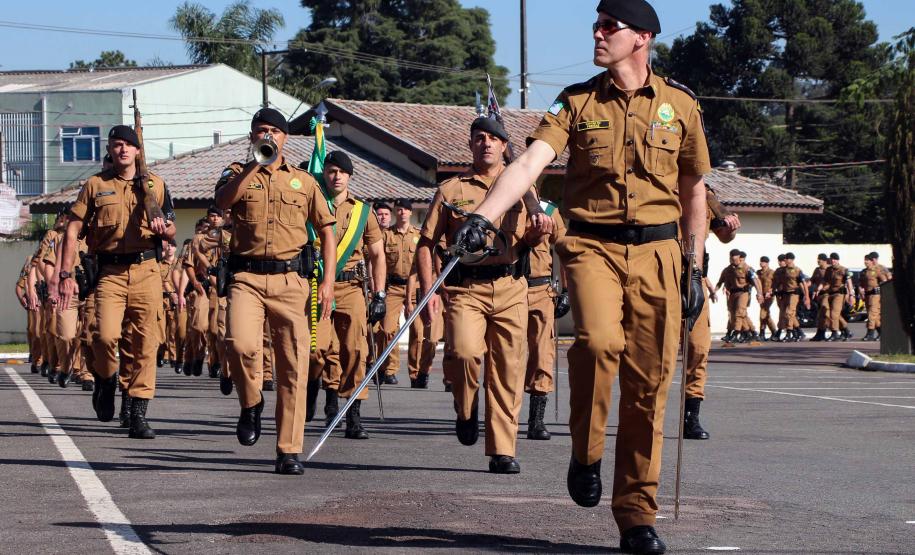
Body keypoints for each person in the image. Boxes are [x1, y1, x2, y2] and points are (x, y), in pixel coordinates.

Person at [446, 2, 710, 550]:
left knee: (649, 386)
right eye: (596, 24)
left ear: (642, 37)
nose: (597, 33)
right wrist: (482, 216)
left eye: (608, 26)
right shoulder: (577, 101)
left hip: (660, 253)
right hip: (591, 245)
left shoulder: (681, 105)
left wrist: (694, 264)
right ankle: (586, 451)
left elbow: (693, 191)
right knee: (596, 341)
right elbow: (528, 164)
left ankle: (637, 515)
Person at [418, 116, 547, 474]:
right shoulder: (451, 190)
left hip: (510, 286)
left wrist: (538, 233)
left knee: (508, 368)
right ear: (470, 144)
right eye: (479, 138)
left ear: (505, 146)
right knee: (463, 352)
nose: (486, 143)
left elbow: (531, 243)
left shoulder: (526, 189)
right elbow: (426, 244)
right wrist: (429, 292)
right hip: (465, 288)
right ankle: (465, 406)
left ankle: (502, 450)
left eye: (493, 138)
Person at [215, 108, 336, 474]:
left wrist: (328, 282)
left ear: (285, 137)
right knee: (240, 345)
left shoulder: (304, 182)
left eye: (274, 131)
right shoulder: (236, 174)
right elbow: (222, 203)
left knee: (293, 367)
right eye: (261, 131)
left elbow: (327, 230)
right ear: (252, 136)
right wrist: (254, 165)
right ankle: (251, 403)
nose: (268, 136)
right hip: (247, 278)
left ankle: (288, 449)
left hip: (291, 282)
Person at [54, 124, 176, 439]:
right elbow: (72, 230)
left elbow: (173, 229)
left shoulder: (155, 185)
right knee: (103, 336)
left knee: (144, 344)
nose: (121, 149)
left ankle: (137, 413)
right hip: (109, 272)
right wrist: (65, 274)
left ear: (137, 150)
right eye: (116, 144)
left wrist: (164, 229)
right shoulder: (95, 185)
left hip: (147, 270)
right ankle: (106, 381)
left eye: (127, 144)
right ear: (110, 150)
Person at [306, 151, 386, 440]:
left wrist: (379, 294)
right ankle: (316, 388)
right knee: (318, 349)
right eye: (331, 171)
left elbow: (377, 254)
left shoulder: (363, 212)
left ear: (350, 176)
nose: (336, 176)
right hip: (318, 286)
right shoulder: (312, 205)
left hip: (352, 287)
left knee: (354, 350)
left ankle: (352, 414)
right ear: (323, 174)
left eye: (342, 171)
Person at [684, 186, 739, 440]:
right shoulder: (658, 185)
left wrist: (730, 230)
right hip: (658, 275)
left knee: (698, 349)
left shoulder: (706, 194)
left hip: (695, 279)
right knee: (653, 351)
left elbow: (723, 235)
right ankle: (646, 413)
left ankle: (691, 417)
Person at [523, 198, 567, 440]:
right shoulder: (502, 202)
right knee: (505, 355)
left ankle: (536, 420)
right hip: (509, 286)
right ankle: (498, 415)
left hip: (541, 290)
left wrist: (567, 291)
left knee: (542, 353)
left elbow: (565, 250)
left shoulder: (549, 210)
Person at [378, 198, 423, 386]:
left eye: (405, 209)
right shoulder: (387, 236)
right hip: (394, 287)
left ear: (411, 213)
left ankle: (416, 373)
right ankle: (390, 369)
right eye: (399, 210)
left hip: (417, 288)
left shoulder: (419, 236)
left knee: (418, 332)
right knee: (388, 329)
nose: (402, 212)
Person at [715, 249, 763, 343]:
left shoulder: (747, 268)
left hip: (743, 293)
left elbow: (755, 281)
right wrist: (714, 292)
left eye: (736, 259)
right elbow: (720, 282)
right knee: (736, 314)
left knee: (739, 312)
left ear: (740, 258)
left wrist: (759, 293)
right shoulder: (728, 269)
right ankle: (751, 332)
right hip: (733, 293)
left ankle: (735, 334)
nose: (734, 261)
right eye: (732, 259)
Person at [773, 252, 811, 342]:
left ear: (792, 260)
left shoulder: (797, 270)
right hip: (785, 294)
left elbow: (803, 284)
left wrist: (807, 296)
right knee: (785, 314)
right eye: (784, 259)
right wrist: (773, 290)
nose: (785, 260)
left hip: (794, 294)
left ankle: (789, 332)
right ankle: (798, 332)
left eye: (787, 258)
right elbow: (778, 283)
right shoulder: (782, 270)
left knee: (789, 313)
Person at [818, 253, 854, 341]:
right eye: (832, 259)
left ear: (838, 260)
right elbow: (824, 281)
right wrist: (819, 289)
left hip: (839, 294)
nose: (833, 261)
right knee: (833, 314)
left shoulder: (844, 270)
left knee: (834, 313)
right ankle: (846, 331)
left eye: (835, 259)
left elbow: (849, 283)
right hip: (830, 293)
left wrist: (851, 295)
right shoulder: (829, 270)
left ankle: (835, 333)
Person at [859, 252, 892, 341]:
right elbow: (861, 284)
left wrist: (883, 291)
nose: (865, 262)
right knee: (875, 317)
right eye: (865, 260)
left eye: (867, 260)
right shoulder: (864, 271)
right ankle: (882, 333)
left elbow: (886, 281)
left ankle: (870, 334)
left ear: (873, 260)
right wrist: (861, 291)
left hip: (876, 295)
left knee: (872, 315)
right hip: (867, 295)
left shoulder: (880, 269)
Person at [809, 253, 830, 342]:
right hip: (819, 295)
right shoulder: (817, 270)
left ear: (824, 260)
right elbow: (812, 281)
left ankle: (823, 332)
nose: (818, 261)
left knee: (824, 313)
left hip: (827, 294)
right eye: (818, 259)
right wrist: (804, 286)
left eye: (819, 259)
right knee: (822, 315)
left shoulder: (829, 269)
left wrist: (822, 288)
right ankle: (820, 333)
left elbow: (831, 283)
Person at [757, 256, 776, 341]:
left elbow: (776, 283)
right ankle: (774, 332)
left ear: (767, 263)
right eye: (761, 261)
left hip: (769, 296)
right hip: (761, 295)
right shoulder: (758, 272)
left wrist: (772, 291)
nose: (761, 263)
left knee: (763, 313)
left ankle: (762, 333)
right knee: (766, 315)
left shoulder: (772, 272)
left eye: (763, 262)